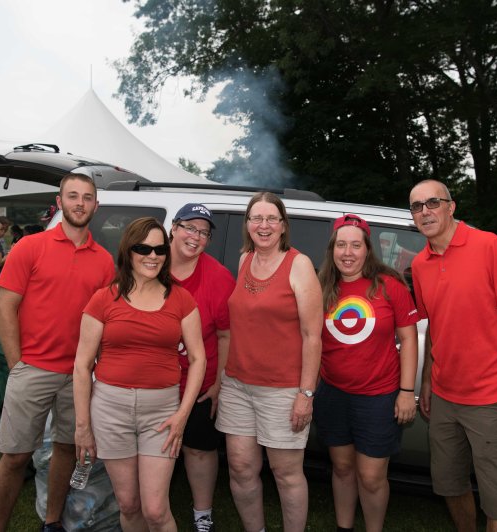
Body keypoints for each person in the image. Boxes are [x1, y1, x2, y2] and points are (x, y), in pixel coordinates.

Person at [409, 179, 497, 532]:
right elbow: (437, 323)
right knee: (450, 486)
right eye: (417, 207)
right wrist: (427, 380)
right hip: (445, 398)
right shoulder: (420, 264)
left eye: (432, 202)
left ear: (451, 207)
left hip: (491, 399)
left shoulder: (488, 245)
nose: (425, 211)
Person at [0, 173, 115, 532]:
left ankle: (52, 521)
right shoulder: (31, 247)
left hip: (78, 375)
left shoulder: (104, 261)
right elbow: (5, 309)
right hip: (32, 369)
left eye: (87, 197)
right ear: (60, 202)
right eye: (72, 196)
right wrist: (17, 365)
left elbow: (104, 320)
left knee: (65, 449)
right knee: (15, 457)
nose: (79, 203)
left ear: (95, 205)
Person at [73, 217, 207, 532]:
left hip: (161, 414)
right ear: (129, 251)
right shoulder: (104, 298)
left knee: (157, 510)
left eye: (159, 249)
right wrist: (82, 427)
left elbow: (198, 359)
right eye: (143, 248)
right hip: (110, 410)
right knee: (130, 506)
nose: (152, 255)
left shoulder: (181, 299)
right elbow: (82, 365)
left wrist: (182, 414)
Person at [215, 191, 323, 532]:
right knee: (241, 469)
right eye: (256, 218)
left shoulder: (299, 264)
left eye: (271, 219)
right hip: (237, 386)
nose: (264, 225)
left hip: (282, 390)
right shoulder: (244, 259)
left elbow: (312, 336)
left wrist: (305, 395)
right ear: (247, 224)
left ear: (283, 225)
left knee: (286, 473)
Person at [315, 214, 419, 532]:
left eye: (355, 245)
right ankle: (344, 527)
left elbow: (409, 339)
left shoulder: (390, 286)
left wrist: (406, 391)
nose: (348, 252)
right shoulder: (321, 287)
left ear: (367, 249)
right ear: (332, 248)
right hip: (333, 393)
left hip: (379, 396)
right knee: (343, 468)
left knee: (372, 477)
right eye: (341, 244)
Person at [168, 203, 235, 532]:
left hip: (199, 383)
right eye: (189, 228)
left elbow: (225, 334)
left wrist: (219, 383)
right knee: (151, 449)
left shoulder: (219, 277)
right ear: (174, 228)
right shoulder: (149, 263)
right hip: (153, 382)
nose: (195, 237)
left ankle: (202, 514)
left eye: (203, 232)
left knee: (199, 450)